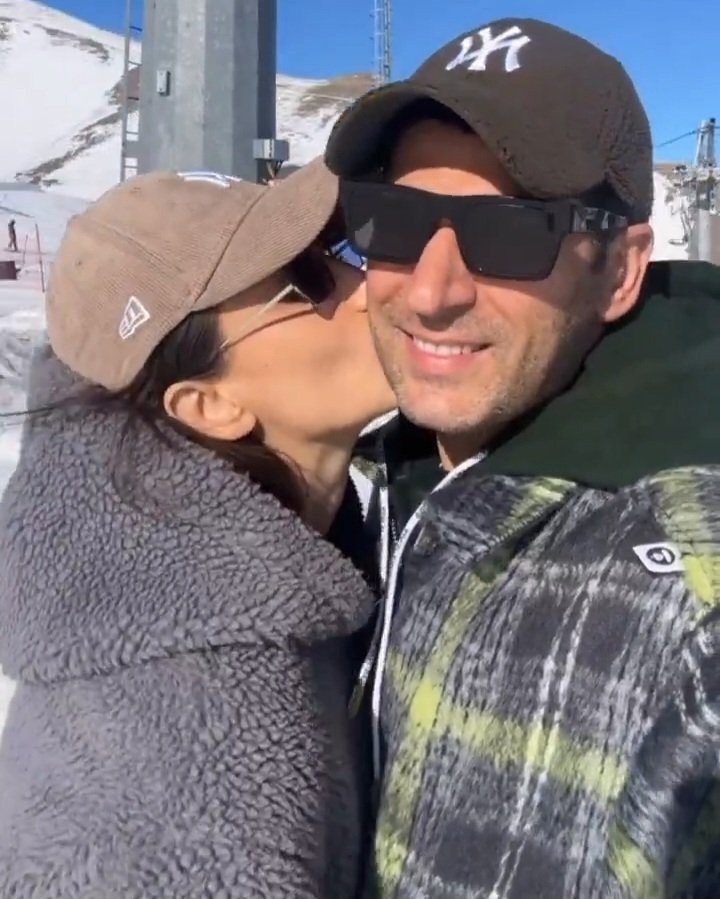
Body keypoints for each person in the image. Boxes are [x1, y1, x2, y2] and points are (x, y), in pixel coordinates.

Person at [325, 18, 720, 899]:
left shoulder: (691, 598)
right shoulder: (384, 479)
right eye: (396, 222)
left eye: (509, 233)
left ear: (620, 272)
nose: (432, 291)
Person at [0, 160, 395, 898]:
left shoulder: (267, 591)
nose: (375, 282)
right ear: (209, 407)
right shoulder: (189, 755)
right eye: (309, 279)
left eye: (343, 247)